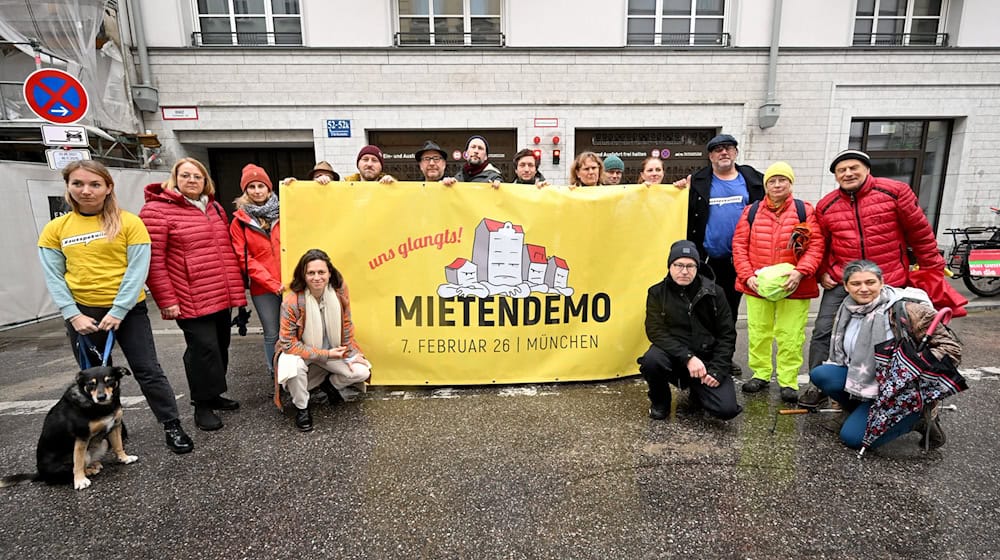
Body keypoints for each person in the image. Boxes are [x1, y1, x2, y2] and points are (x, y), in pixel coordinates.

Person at [38, 160, 194, 455]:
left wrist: (119, 310)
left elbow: (137, 270)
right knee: (92, 376)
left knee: (148, 370)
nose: (86, 191)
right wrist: (73, 314)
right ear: (68, 187)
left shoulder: (129, 223)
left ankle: (171, 425)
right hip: (82, 314)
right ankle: (109, 429)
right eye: (78, 184)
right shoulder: (55, 229)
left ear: (108, 187)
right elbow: (54, 276)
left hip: (128, 311)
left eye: (95, 184)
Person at [800, 149, 946, 408]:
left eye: (853, 168)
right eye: (841, 170)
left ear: (867, 169)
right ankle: (819, 385)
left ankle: (891, 387)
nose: (848, 173)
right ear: (836, 176)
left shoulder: (895, 192)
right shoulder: (826, 205)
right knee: (824, 330)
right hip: (844, 279)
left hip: (889, 279)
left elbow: (920, 233)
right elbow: (822, 242)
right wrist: (823, 271)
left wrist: (933, 270)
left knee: (895, 335)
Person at [140, 157, 247, 432]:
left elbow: (224, 251)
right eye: (185, 175)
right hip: (189, 295)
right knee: (202, 350)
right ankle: (201, 404)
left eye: (197, 176)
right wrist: (167, 300)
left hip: (219, 292)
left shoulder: (213, 207)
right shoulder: (156, 210)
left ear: (205, 181)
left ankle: (214, 394)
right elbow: (153, 261)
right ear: (175, 179)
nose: (191, 180)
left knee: (220, 346)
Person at [809, 260, 960, 450]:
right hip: (870, 381)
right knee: (822, 374)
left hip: (901, 389)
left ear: (881, 283)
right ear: (846, 287)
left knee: (853, 438)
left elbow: (951, 348)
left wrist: (913, 367)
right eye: (856, 283)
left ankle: (918, 419)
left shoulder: (907, 309)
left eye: (870, 282)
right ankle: (861, 411)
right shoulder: (846, 309)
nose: (864, 289)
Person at [732, 162, 825, 403]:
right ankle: (760, 373)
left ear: (790, 183)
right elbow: (739, 245)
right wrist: (747, 276)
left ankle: (788, 380)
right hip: (758, 286)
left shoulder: (805, 211)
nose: (777, 185)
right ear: (765, 185)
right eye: (772, 181)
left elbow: (816, 245)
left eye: (782, 180)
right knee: (758, 332)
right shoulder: (751, 211)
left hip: (794, 286)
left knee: (790, 335)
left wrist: (801, 272)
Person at [674, 134, 765, 377]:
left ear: (735, 152)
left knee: (729, 312)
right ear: (710, 156)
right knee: (704, 310)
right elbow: (678, 205)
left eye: (728, 148)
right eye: (717, 150)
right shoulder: (699, 181)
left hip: (741, 261)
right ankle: (704, 355)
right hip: (708, 260)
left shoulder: (753, 180)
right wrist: (677, 189)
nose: (723, 153)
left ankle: (725, 357)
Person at [637, 240, 742, 421]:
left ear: (697, 267)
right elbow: (655, 331)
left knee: (727, 410)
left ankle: (698, 391)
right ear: (670, 266)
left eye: (690, 266)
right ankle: (660, 403)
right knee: (652, 360)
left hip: (707, 360)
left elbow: (727, 335)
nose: (684, 271)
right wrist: (688, 357)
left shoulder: (716, 293)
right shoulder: (657, 293)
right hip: (675, 356)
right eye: (678, 265)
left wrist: (717, 370)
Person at [274, 249, 372, 432]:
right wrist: (324, 354)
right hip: (302, 353)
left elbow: (346, 324)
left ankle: (329, 385)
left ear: (329, 273)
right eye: (311, 273)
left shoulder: (339, 291)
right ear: (303, 275)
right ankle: (302, 408)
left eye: (321, 272)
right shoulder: (292, 301)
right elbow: (288, 343)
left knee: (361, 371)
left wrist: (351, 353)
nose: (317, 277)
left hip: (333, 350)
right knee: (293, 370)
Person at [231, 163, 283, 381]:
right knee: (272, 333)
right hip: (263, 288)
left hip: (291, 283)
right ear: (245, 191)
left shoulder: (286, 211)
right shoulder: (239, 222)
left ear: (269, 188)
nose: (257, 191)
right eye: (251, 187)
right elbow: (245, 259)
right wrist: (272, 283)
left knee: (296, 331)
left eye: (261, 186)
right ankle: (275, 374)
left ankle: (298, 373)